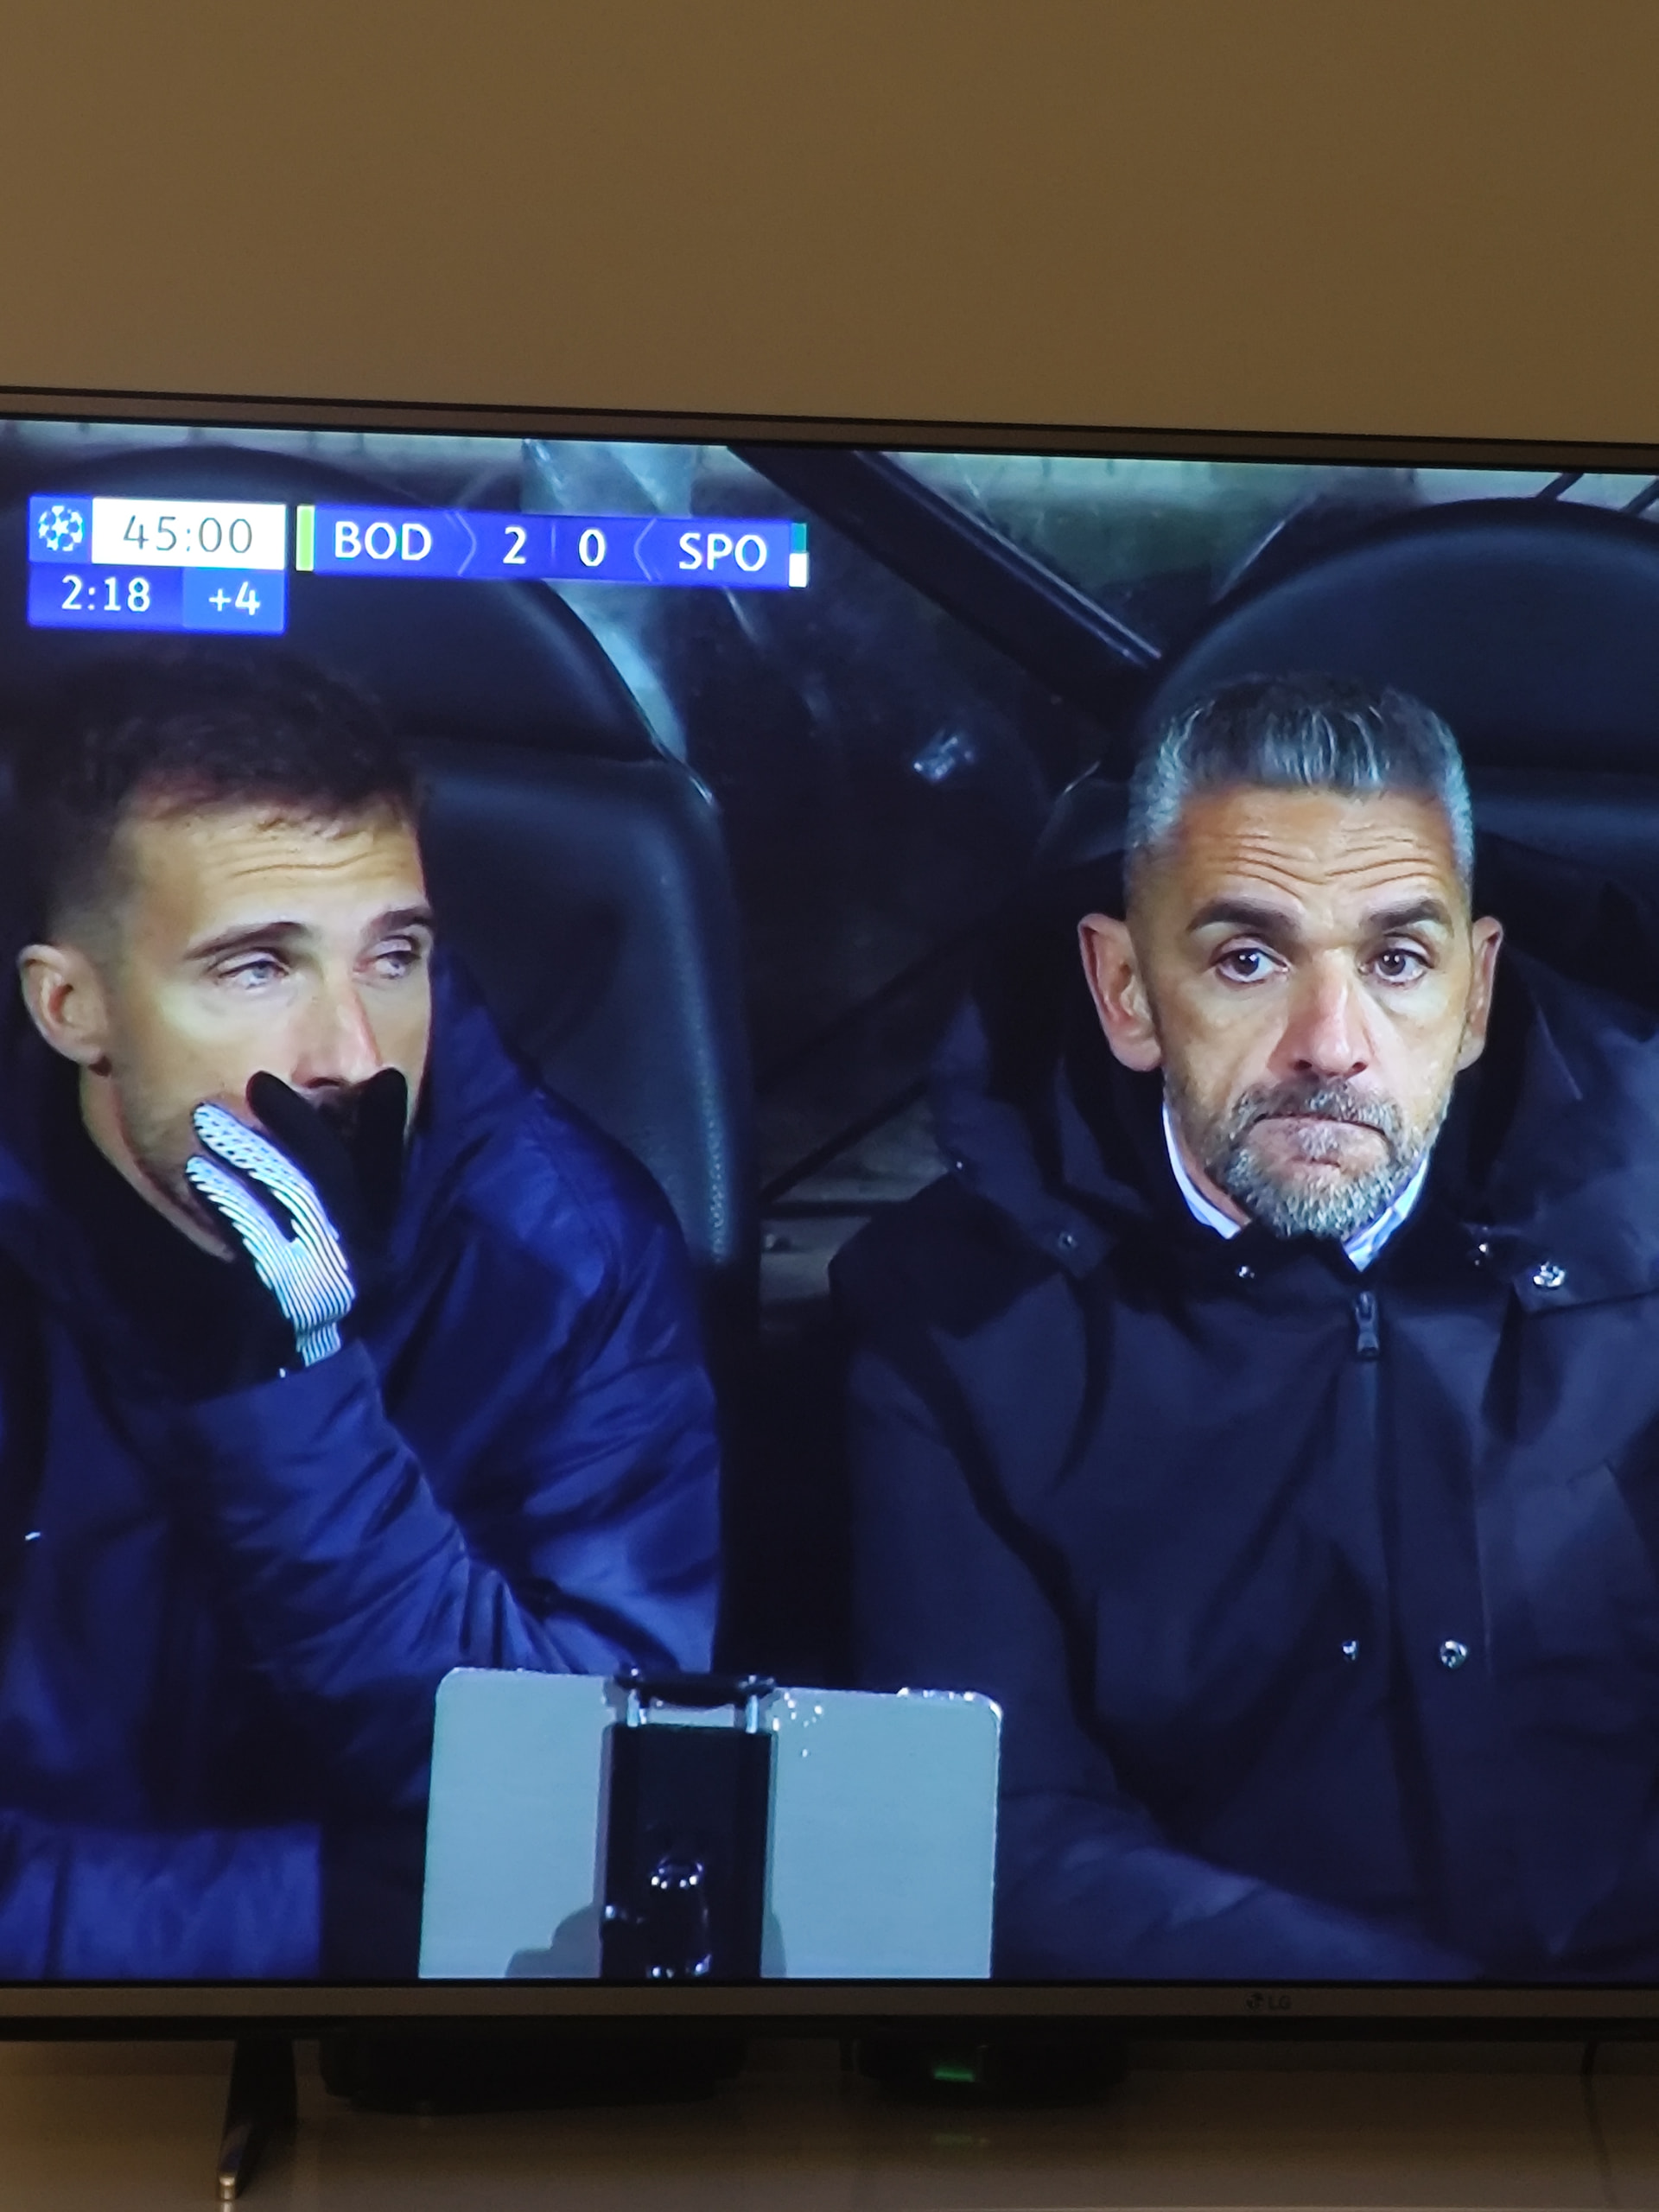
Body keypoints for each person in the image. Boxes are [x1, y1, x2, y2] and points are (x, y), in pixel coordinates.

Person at [839, 671, 1659, 1984]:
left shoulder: (1643, 1230)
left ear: (1475, 996)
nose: (1331, 1045)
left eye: (1398, 962)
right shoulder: (953, 1323)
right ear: (1125, 989)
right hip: (1235, 2049)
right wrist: (1434, 2047)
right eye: (1248, 960)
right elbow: (1003, 1821)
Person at [0, 648, 721, 1980]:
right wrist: (325, 1915)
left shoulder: (563, 1258)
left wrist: (296, 1405)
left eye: (395, 957)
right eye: (257, 969)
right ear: (71, 1005)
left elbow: (584, 1805)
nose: (353, 1053)